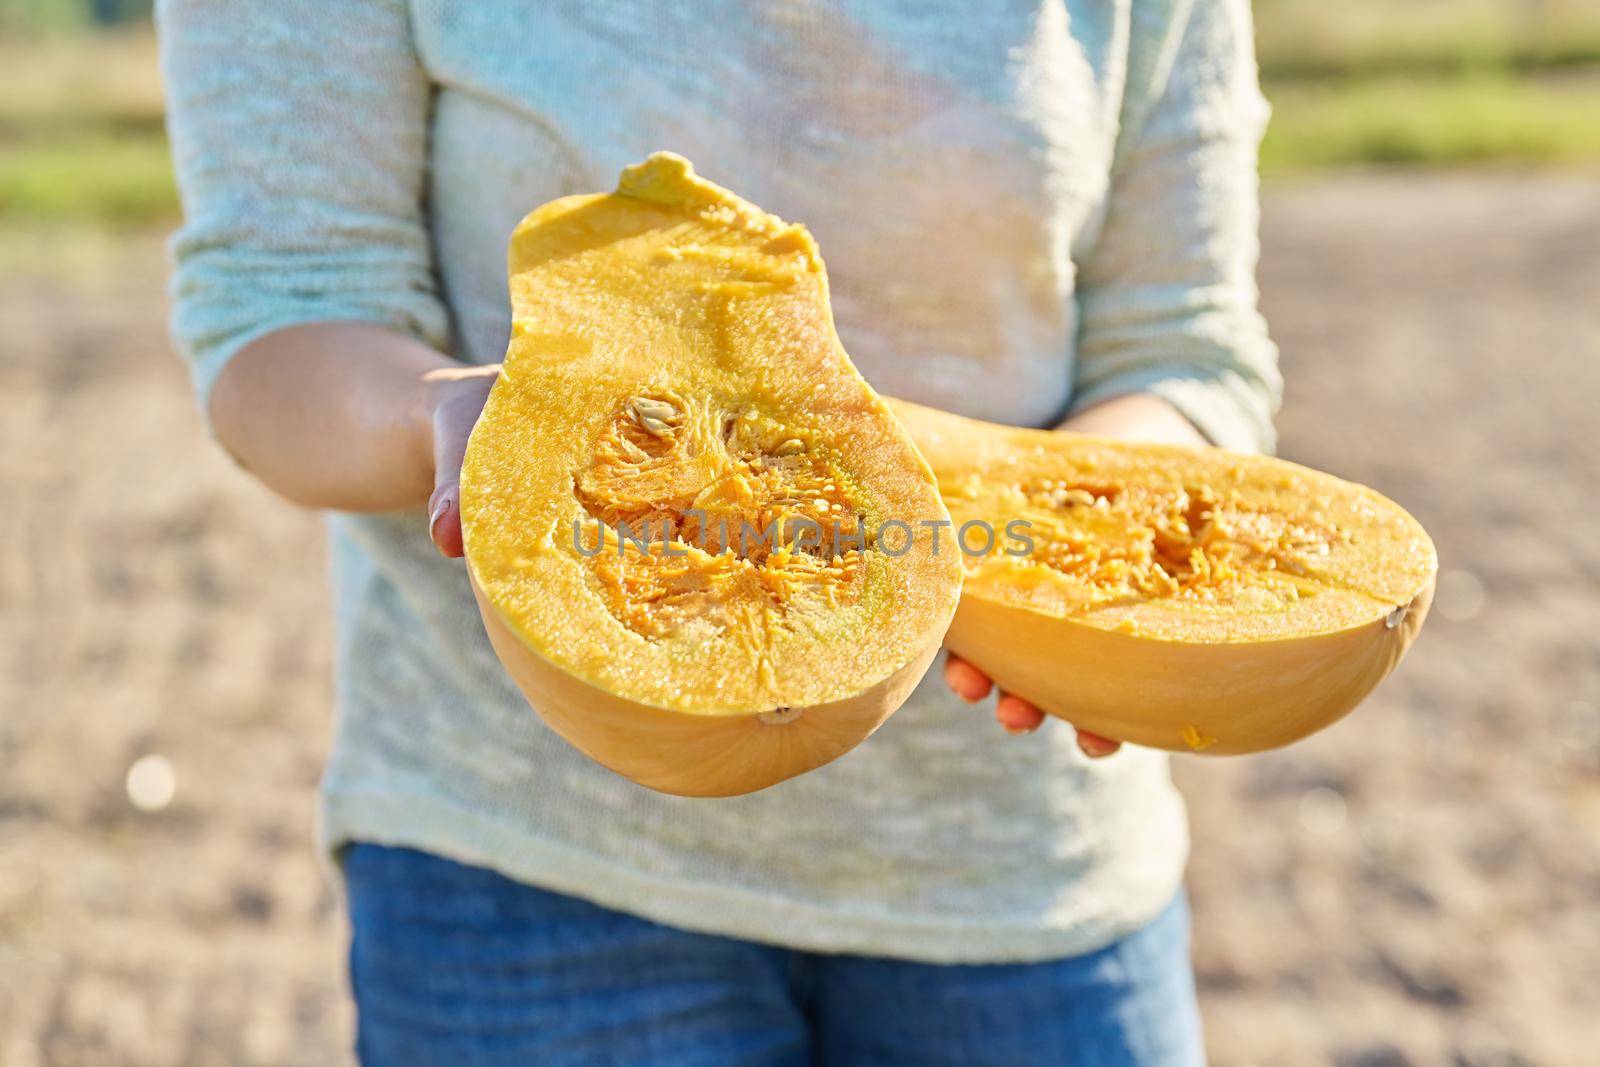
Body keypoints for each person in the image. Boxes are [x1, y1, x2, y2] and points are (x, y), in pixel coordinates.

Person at [158, 2, 1280, 1063]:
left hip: (1027, 870)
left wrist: (1049, 559)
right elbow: (279, 311)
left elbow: (1182, 350)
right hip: (525, 876)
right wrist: (443, 416)